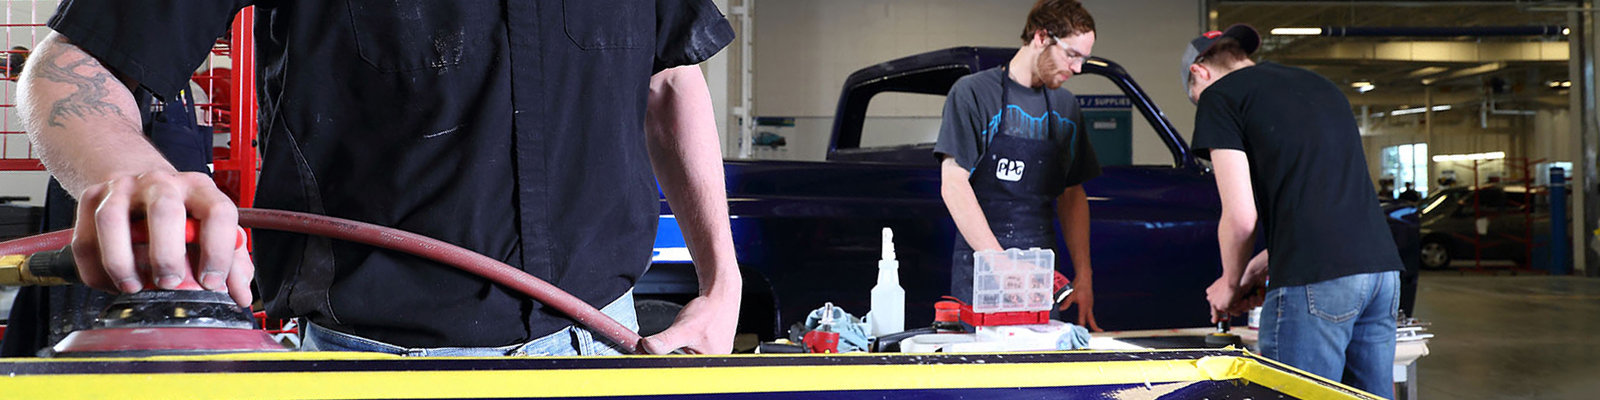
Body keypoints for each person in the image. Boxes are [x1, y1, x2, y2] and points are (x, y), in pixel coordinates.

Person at [19, 1, 740, 356]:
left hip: (608, 352)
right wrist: (131, 170)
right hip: (369, 367)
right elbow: (68, 68)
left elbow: (671, 79)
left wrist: (722, 285)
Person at [1183, 24, 1402, 397]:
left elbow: (1240, 217)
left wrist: (1229, 283)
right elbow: (1329, 201)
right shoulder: (1320, 86)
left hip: (1315, 281)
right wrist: (1261, 264)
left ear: (1199, 72)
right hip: (1381, 274)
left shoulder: (1220, 96)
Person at [934, 0, 1103, 331]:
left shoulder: (1066, 107)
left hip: (1038, 280)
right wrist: (998, 262)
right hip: (980, 272)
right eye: (1072, 55)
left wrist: (1084, 275)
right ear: (1041, 37)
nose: (1078, 68)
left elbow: (1072, 194)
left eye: (1083, 59)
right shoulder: (973, 94)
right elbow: (954, 182)